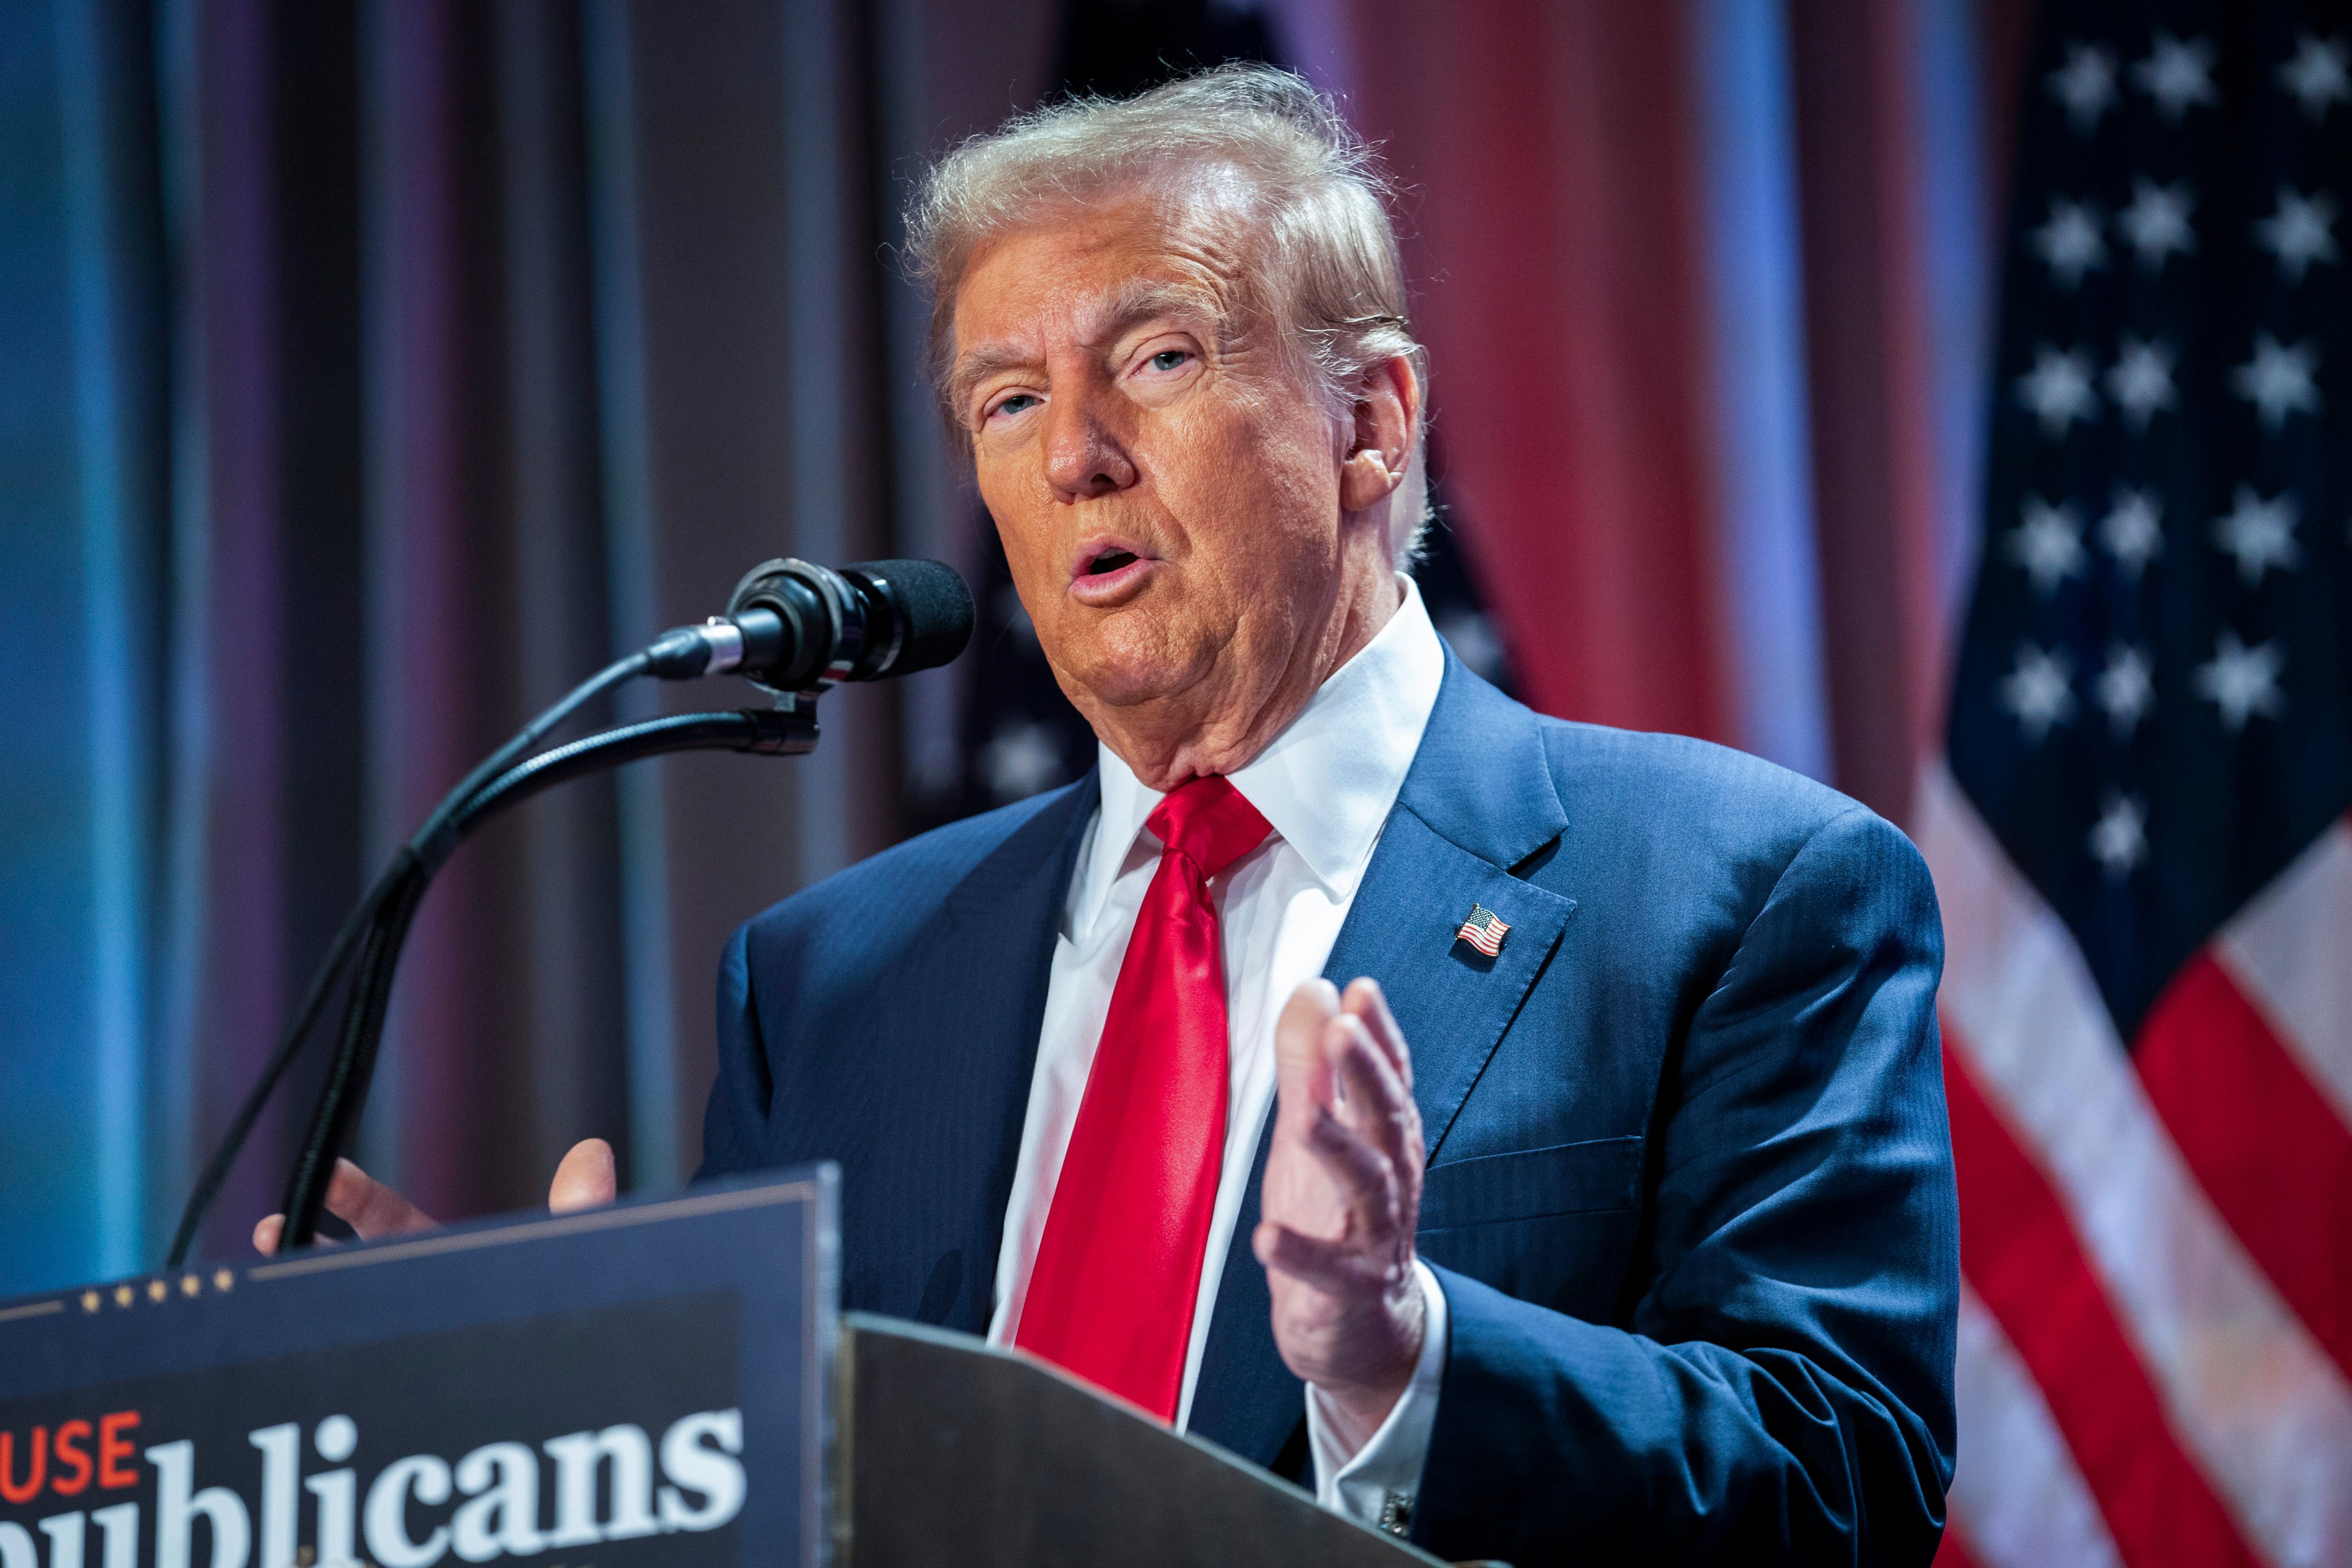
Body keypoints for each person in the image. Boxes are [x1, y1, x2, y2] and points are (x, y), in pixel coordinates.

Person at [263, 64, 1957, 1564]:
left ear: (1370, 424)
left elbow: (1846, 1477)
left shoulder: (1742, 892)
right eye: (1007, 400)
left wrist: (1399, 1352)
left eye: (1155, 355)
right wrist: (575, 1416)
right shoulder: (829, 982)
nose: (1074, 452)